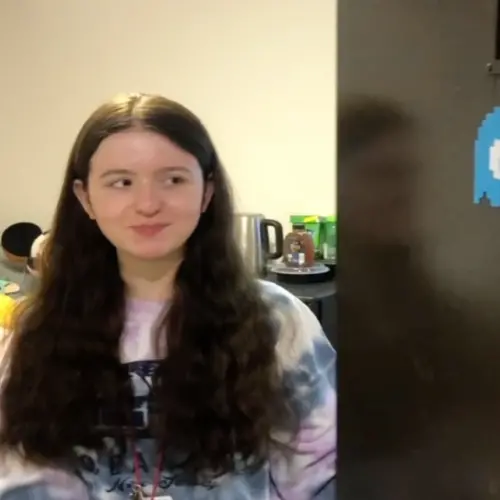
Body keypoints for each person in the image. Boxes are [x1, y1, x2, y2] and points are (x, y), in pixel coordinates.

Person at [0, 93, 336, 499]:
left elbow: (322, 473)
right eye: (121, 182)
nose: (147, 204)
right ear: (85, 196)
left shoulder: (276, 319)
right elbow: (25, 476)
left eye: (174, 179)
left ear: (206, 193)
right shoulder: (39, 331)